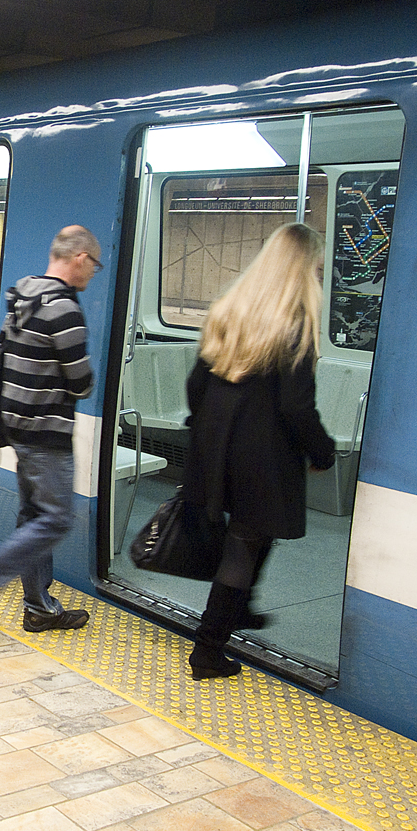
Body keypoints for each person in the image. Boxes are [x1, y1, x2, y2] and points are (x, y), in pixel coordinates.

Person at [180, 222, 336, 680]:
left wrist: (207, 431)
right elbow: (295, 406)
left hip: (216, 446)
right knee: (244, 550)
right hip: (262, 457)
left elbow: (196, 384)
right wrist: (322, 451)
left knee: (249, 541)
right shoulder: (294, 322)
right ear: (303, 267)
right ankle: (207, 652)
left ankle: (241, 605)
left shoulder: (231, 308)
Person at [0, 225, 102, 635]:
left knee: (33, 516)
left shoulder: (21, 296)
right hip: (46, 430)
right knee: (56, 520)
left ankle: (40, 608)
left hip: (16, 426)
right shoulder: (64, 309)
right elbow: (82, 382)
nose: (93, 273)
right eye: (94, 264)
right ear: (79, 258)